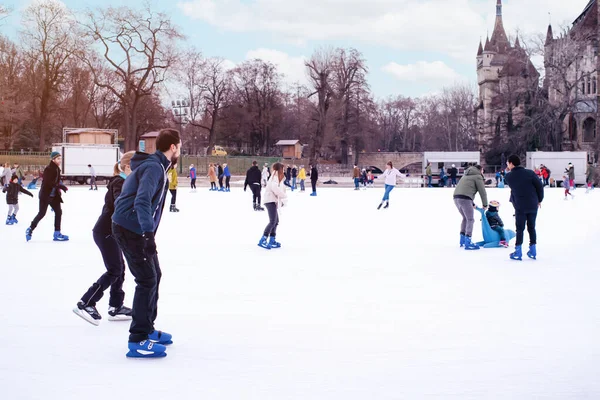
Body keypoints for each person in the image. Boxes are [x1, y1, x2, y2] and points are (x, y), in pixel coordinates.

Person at [111, 128, 181, 358]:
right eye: (179, 146)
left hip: (135, 227)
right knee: (146, 278)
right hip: (130, 228)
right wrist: (148, 234)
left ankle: (147, 328)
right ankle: (138, 339)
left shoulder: (159, 166)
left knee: (155, 275)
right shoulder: (154, 167)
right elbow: (142, 201)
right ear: (173, 147)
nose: (180, 150)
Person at [73, 152, 136, 326]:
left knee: (120, 268)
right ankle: (86, 302)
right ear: (128, 166)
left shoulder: (125, 181)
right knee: (114, 269)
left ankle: (115, 306)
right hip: (105, 232)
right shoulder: (119, 182)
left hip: (112, 232)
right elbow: (119, 203)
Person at [504, 154, 544, 261]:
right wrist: (539, 200)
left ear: (511, 163)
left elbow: (507, 180)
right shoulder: (530, 173)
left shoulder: (509, 176)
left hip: (520, 205)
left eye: (508, 163)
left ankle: (518, 251)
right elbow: (539, 187)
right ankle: (533, 249)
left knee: (520, 228)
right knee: (531, 227)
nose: (507, 165)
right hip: (532, 203)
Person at [26, 152, 69, 242]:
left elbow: (57, 181)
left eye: (60, 159)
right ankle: (30, 229)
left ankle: (57, 233)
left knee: (58, 212)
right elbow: (48, 182)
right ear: (53, 159)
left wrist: (61, 186)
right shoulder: (49, 169)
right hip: (46, 195)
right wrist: (60, 186)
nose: (60, 160)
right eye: (58, 159)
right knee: (42, 213)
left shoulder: (57, 169)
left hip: (54, 196)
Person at [453, 165, 488, 250]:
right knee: (470, 219)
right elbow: (482, 191)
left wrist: (471, 203)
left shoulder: (465, 175)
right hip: (465, 198)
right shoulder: (478, 176)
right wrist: (485, 204)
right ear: (480, 170)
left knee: (465, 218)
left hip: (456, 197)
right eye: (483, 170)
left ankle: (462, 240)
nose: (483, 172)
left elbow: (465, 189)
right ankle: (468, 241)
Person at [258, 162, 287, 250]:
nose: (284, 170)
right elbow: (275, 189)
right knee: (272, 221)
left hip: (272, 201)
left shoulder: (277, 177)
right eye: (283, 169)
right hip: (270, 201)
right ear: (280, 169)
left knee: (276, 221)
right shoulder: (274, 177)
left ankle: (272, 239)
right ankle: (263, 239)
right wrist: (283, 195)